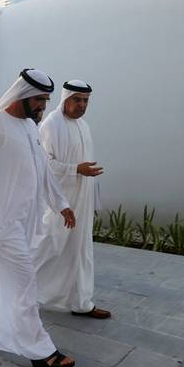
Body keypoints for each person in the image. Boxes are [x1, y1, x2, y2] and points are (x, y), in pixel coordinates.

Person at [0, 68, 78, 367]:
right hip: (3, 224)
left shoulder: (29, 127)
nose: (43, 106)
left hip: (26, 221)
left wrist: (61, 204)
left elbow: (43, 171)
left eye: (46, 100)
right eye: (39, 99)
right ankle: (40, 350)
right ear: (23, 96)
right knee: (25, 284)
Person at [33, 80, 111, 319]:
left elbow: (86, 162)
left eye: (86, 101)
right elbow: (43, 164)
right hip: (58, 202)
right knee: (49, 246)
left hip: (82, 199)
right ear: (65, 99)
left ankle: (82, 302)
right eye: (77, 99)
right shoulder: (51, 125)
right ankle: (23, 291)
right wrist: (75, 169)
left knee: (81, 251)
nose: (82, 105)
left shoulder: (83, 126)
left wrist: (90, 187)